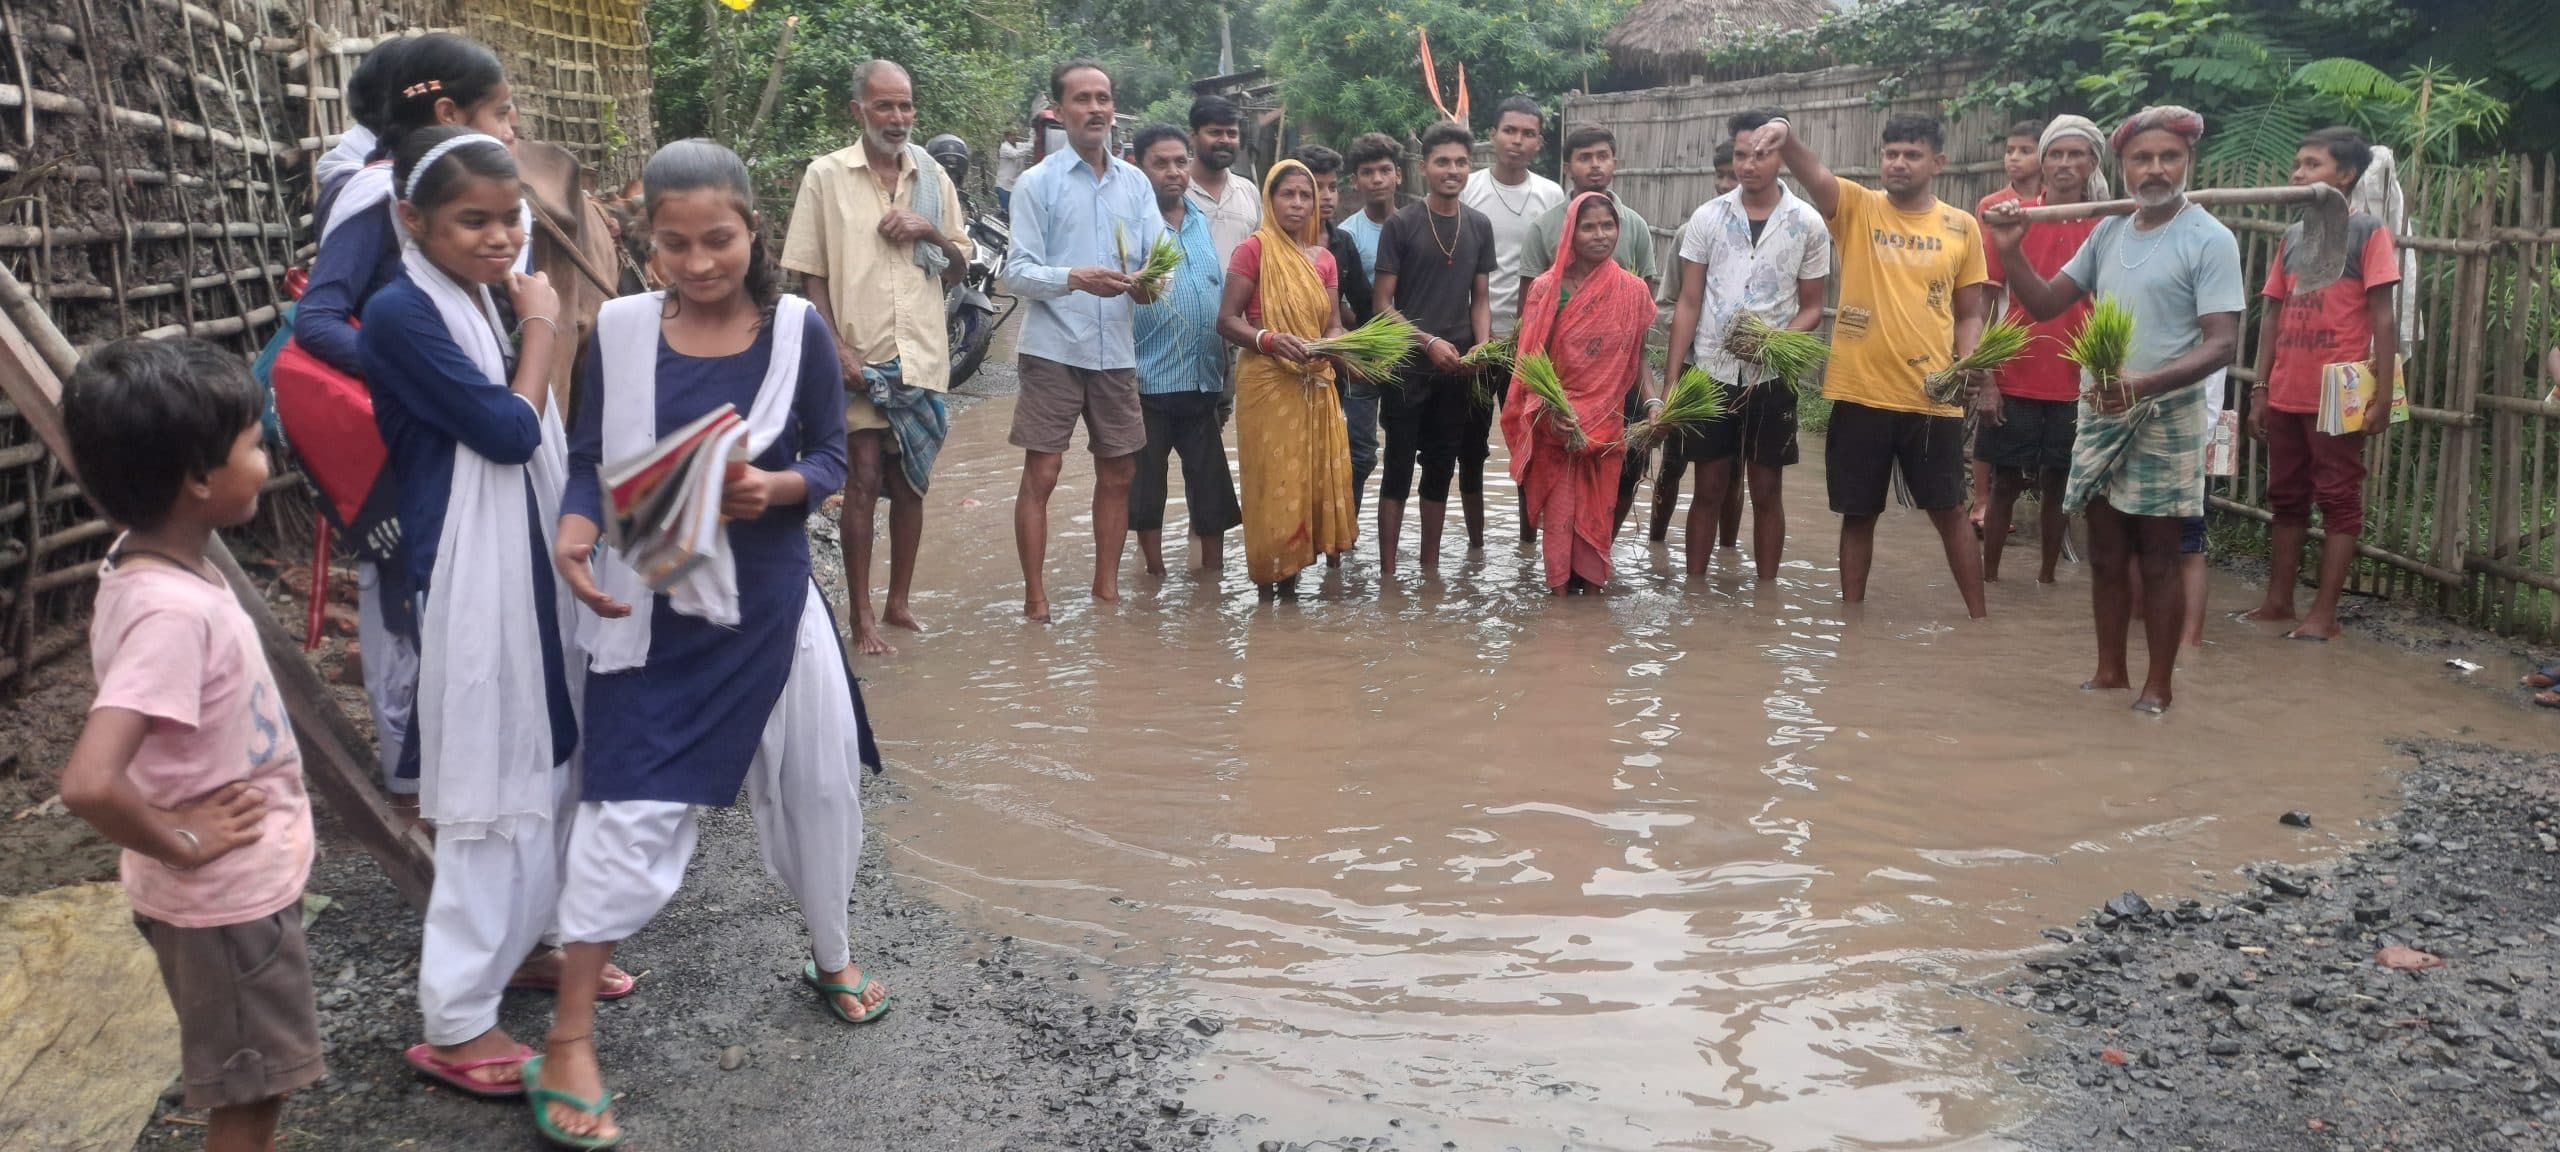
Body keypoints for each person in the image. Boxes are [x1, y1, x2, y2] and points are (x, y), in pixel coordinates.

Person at [536, 138, 882, 1149]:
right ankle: (567, 1040)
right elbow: (592, 454)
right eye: (674, 243)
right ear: (645, 237)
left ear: (753, 231)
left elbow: (827, 454)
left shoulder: (799, 335)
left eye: (717, 240)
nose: (696, 263)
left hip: (772, 598)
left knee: (819, 787)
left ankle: (831, 952)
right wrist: (572, 531)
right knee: (628, 807)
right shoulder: (623, 332)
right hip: (654, 603)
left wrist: (775, 489)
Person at [356, 125, 580, 1100]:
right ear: (413, 221)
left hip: (515, 556)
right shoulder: (404, 312)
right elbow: (502, 429)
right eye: (472, 222)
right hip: (464, 570)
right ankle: (455, 1019)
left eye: (510, 218)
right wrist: (543, 328)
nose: (498, 238)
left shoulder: (469, 295)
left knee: (544, 747)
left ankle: (527, 943)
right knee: (494, 769)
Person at [58, 338, 320, 1152]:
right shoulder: (174, 612)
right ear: (198, 480)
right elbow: (89, 782)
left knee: (257, 1083)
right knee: (249, 1096)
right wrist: (184, 838)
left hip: (229, 897)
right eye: (252, 441)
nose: (266, 450)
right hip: (224, 906)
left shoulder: (142, 562)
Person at [297, 34, 520, 810]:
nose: (513, 127)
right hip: (403, 448)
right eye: (501, 111)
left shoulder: (476, 213)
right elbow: (318, 318)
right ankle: (417, 793)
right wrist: (413, 374)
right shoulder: (377, 200)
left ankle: (471, 777)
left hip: (453, 431)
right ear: (451, 112)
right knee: (405, 615)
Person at [1988, 106, 2245, 713]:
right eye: (2142, 159)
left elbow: (2222, 342)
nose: (2155, 170)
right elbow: (2048, 303)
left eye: (2169, 158)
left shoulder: (2209, 238)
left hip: (2165, 415)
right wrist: (2012, 251)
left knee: (2159, 556)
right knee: (2105, 550)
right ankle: (2109, 672)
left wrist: (2144, 385)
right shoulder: (2109, 231)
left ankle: (2158, 686)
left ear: (2188, 163)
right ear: (2124, 167)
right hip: (2102, 408)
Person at [1744, 112, 1992, 618]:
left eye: (1912, 154)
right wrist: (1784, 135)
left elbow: (1970, 314)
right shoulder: (1857, 207)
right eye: (1891, 153)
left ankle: (1979, 621)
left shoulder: (1961, 226)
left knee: (1950, 513)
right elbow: (1812, 171)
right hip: (1860, 393)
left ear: (1937, 163)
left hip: (1932, 398)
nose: (1898, 163)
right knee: (1858, 516)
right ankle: (1850, 627)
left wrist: (1969, 365)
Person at [780, 59, 968, 658]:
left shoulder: (933, 180)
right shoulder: (826, 176)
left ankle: (899, 603)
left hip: (922, 357)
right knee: (860, 480)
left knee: (913, 483)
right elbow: (808, 274)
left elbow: (962, 265)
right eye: (884, 106)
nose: (897, 118)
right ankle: (861, 613)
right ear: (858, 110)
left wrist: (928, 232)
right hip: (858, 356)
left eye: (906, 106)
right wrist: (834, 348)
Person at [1000, 60, 1162, 622]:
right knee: (1042, 472)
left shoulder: (1136, 182)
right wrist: (1073, 277)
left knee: (1119, 471)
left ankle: (1106, 590)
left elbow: (1158, 260)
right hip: (1054, 348)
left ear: (1114, 109)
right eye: (1082, 99)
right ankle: (1035, 599)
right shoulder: (1037, 183)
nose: (1096, 109)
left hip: (1115, 350)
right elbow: (1013, 273)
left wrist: (1149, 286)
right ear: (1059, 111)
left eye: (1104, 99)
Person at [2241, 126, 2401, 641]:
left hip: (2340, 393)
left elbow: (2384, 317)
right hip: (2287, 389)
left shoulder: (2367, 232)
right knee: (2285, 498)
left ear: (2346, 175)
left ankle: (2323, 616)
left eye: (2313, 165)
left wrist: (2380, 393)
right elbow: (2271, 315)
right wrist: (2259, 389)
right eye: (2298, 164)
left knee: (2337, 499)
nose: (2299, 174)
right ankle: (2278, 603)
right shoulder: (2291, 238)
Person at [1664, 107, 1831, 583]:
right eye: (1740, 155)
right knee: (1709, 488)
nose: (1748, 164)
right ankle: (1694, 590)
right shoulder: (1707, 218)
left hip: (1771, 377)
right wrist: (1675, 381)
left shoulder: (1807, 223)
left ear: (1780, 158)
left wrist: (1773, 343)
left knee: (1766, 491)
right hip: (1711, 373)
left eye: (1759, 155)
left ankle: (1766, 594)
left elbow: (1813, 308)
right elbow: (1689, 302)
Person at [1503, 192, 1660, 592]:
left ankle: (1590, 610)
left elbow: (1638, 358)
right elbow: (1530, 363)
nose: (1600, 235)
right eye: (1588, 226)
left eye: (1608, 226)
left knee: (1597, 519)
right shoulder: (1545, 290)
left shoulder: (1633, 291)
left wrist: (1654, 403)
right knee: (1559, 522)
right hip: (1557, 425)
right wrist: (1550, 410)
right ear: (1570, 233)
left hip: (1605, 426)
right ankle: (1558, 612)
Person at [1217, 159, 1358, 596]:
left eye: (1305, 195)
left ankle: (1293, 591)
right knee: (1274, 483)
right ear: (1270, 199)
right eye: (1287, 195)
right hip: (1267, 384)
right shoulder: (1253, 251)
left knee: (1307, 483)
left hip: (1314, 382)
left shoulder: (1324, 260)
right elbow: (1226, 320)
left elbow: (1332, 322)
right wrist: (1269, 339)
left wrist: (1333, 345)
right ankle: (1268, 585)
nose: (1297, 204)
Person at [1977, 116, 2106, 585]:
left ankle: (2046, 581)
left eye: (2076, 154)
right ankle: (1987, 582)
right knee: (2003, 484)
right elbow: (1988, 303)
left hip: (2078, 383)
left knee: (2060, 488)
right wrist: (1986, 377)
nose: (2065, 163)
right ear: (2043, 160)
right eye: (2056, 153)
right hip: (2017, 374)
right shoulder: (2011, 219)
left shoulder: (2107, 223)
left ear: (2093, 162)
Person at [1517, 125, 1656, 538]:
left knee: (1625, 469)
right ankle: (1543, 551)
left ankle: (1599, 548)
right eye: (1584, 157)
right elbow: (1531, 323)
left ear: (1616, 162)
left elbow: (1642, 318)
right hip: (1561, 385)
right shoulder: (1545, 228)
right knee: (1549, 472)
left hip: (1618, 379)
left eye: (1603, 156)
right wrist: (1546, 396)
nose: (1595, 165)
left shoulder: (1635, 227)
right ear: (1568, 167)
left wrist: (1653, 399)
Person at [1371, 121, 1494, 572]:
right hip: (1407, 366)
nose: (1453, 170)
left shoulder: (1478, 226)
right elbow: (1383, 305)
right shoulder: (1401, 225)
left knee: (1443, 463)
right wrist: (1428, 342)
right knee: (1399, 464)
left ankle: (1429, 569)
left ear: (1470, 167)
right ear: (1423, 168)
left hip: (1458, 369)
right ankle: (1387, 570)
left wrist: (1481, 348)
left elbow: (1479, 299)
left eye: (1461, 162)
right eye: (1442, 161)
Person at [1127, 123, 1240, 577]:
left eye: (1180, 162)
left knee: (1210, 493)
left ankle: (1209, 584)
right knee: (1145, 493)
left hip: (1202, 380)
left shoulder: (1197, 220)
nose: (1174, 172)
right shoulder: (1131, 224)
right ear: (1139, 167)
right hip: (1147, 383)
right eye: (1161, 163)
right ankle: (1152, 578)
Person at [1464, 96, 1565, 544]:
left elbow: (1557, 269)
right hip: (1472, 341)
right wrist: (1475, 342)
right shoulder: (1468, 188)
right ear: (1493, 135)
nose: (1517, 141)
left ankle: (1529, 543)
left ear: (1539, 142)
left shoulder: (1551, 195)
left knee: (1532, 442)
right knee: (1468, 445)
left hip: (1531, 344)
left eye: (1527, 133)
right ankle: (1476, 543)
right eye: (1510, 131)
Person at [1650, 140, 1744, 546]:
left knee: (1733, 470)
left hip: (1742, 372)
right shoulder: (1694, 231)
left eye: (1733, 176)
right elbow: (1667, 305)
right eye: (1720, 175)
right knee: (1673, 463)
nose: (1725, 184)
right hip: (1694, 368)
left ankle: (1727, 551)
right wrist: (1707, 326)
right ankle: (1655, 543)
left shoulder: (1765, 237)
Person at [1972, 118, 2049, 534]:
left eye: (2024, 150)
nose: (2014, 158)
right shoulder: (1994, 206)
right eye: (2010, 150)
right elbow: (1987, 284)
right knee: (1992, 422)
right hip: (2006, 319)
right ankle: (1982, 500)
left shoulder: (2062, 203)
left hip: (2051, 320)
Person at [1298, 145, 1376, 519]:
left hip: (1345, 362)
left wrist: (1374, 347)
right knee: (1302, 456)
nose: (1326, 197)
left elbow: (1364, 302)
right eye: (1318, 187)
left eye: (1331, 187)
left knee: (1361, 452)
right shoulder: (1273, 248)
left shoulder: (1343, 242)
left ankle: (1344, 532)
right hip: (1295, 364)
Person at [1340, 132, 1403, 508]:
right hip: (1361, 354)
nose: (1377, 179)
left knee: (1404, 448)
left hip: (1409, 352)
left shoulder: (1417, 224)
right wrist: (1366, 335)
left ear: (1399, 175)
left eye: (1384, 170)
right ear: (1356, 181)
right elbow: (1337, 299)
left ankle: (1389, 540)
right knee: (1359, 452)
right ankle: (1346, 534)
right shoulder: (1347, 234)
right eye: (1367, 172)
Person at [1187, 95, 1261, 265]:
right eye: (1215, 132)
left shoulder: (1249, 191)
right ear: (1193, 136)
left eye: (1232, 133)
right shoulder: (1176, 192)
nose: (1225, 140)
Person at [995, 126, 1029, 216]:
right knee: (1006, 212)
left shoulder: (1019, 146)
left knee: (1015, 212)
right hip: (1004, 185)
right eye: (1011, 135)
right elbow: (1015, 154)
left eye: (1015, 134)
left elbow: (1030, 145)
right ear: (1006, 137)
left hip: (1015, 186)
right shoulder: (1004, 147)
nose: (1014, 137)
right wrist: (1028, 150)